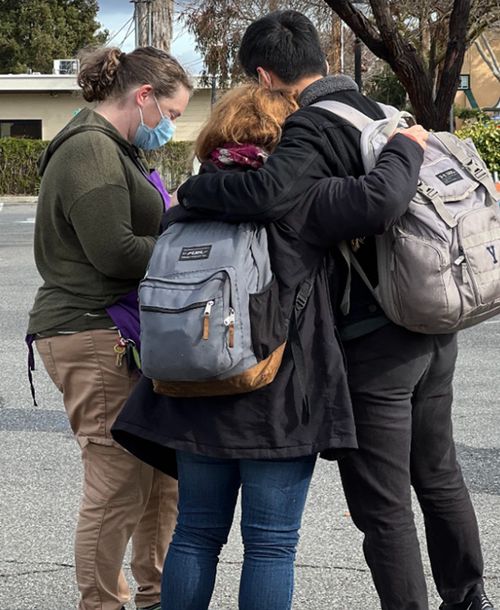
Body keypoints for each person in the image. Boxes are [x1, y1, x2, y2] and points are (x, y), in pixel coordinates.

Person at [171, 11, 496, 610]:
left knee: (384, 502)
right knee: (439, 473)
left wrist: (192, 191)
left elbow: (275, 194)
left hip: (377, 341)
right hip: (431, 324)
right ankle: (468, 597)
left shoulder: (313, 126)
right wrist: (403, 141)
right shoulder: (378, 112)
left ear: (265, 76)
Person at [111, 82, 427, 610]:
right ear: (288, 137)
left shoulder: (189, 202)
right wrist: (406, 145)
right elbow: (380, 200)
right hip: (276, 395)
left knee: (194, 535)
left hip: (189, 386)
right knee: (271, 545)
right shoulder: (300, 200)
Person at [27, 46, 192, 610]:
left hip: (124, 333)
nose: (172, 125)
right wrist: (185, 244)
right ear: (143, 97)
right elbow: (116, 254)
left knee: (157, 480)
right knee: (117, 483)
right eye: (170, 112)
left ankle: (157, 596)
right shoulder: (91, 150)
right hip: (91, 331)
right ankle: (101, 603)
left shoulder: (116, 149)